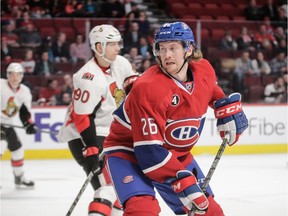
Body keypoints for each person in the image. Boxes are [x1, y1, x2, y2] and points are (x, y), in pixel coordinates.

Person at [103, 22, 249, 216]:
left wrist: (223, 107)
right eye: (162, 49)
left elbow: (211, 90)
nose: (166, 55)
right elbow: (148, 151)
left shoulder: (204, 69)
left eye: (173, 48)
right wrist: (180, 178)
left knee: (208, 211)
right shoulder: (148, 87)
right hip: (129, 152)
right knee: (142, 209)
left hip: (174, 153)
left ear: (188, 49)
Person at [57, 24, 137, 216]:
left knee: (121, 192)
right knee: (108, 188)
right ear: (99, 47)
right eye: (112, 44)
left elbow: (134, 87)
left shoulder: (121, 63)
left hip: (109, 133)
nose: (118, 47)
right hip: (85, 136)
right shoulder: (88, 77)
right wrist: (91, 149)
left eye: (118, 42)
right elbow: (82, 117)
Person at [0, 62, 36, 189]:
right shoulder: (0, 85)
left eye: (18, 75)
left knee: (17, 151)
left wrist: (28, 123)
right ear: (7, 75)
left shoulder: (25, 92)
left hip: (8, 125)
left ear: (22, 76)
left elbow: (24, 112)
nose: (15, 78)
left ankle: (19, 177)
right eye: (12, 74)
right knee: (1, 146)